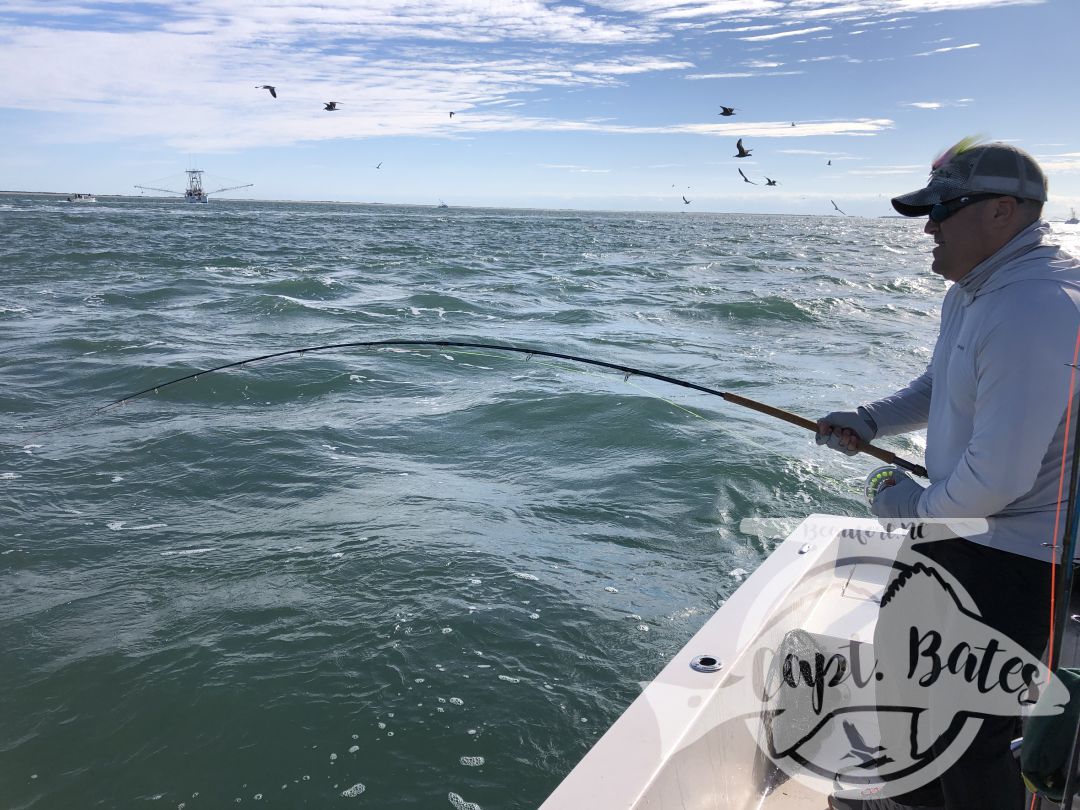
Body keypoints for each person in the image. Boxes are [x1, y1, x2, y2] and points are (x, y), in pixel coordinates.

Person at [817, 139, 1080, 810]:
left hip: (1009, 558)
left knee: (966, 732)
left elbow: (999, 480)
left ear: (1002, 212)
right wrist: (872, 420)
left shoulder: (1033, 307)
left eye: (941, 210)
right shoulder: (978, 290)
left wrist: (904, 505)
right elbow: (943, 385)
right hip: (956, 531)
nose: (928, 228)